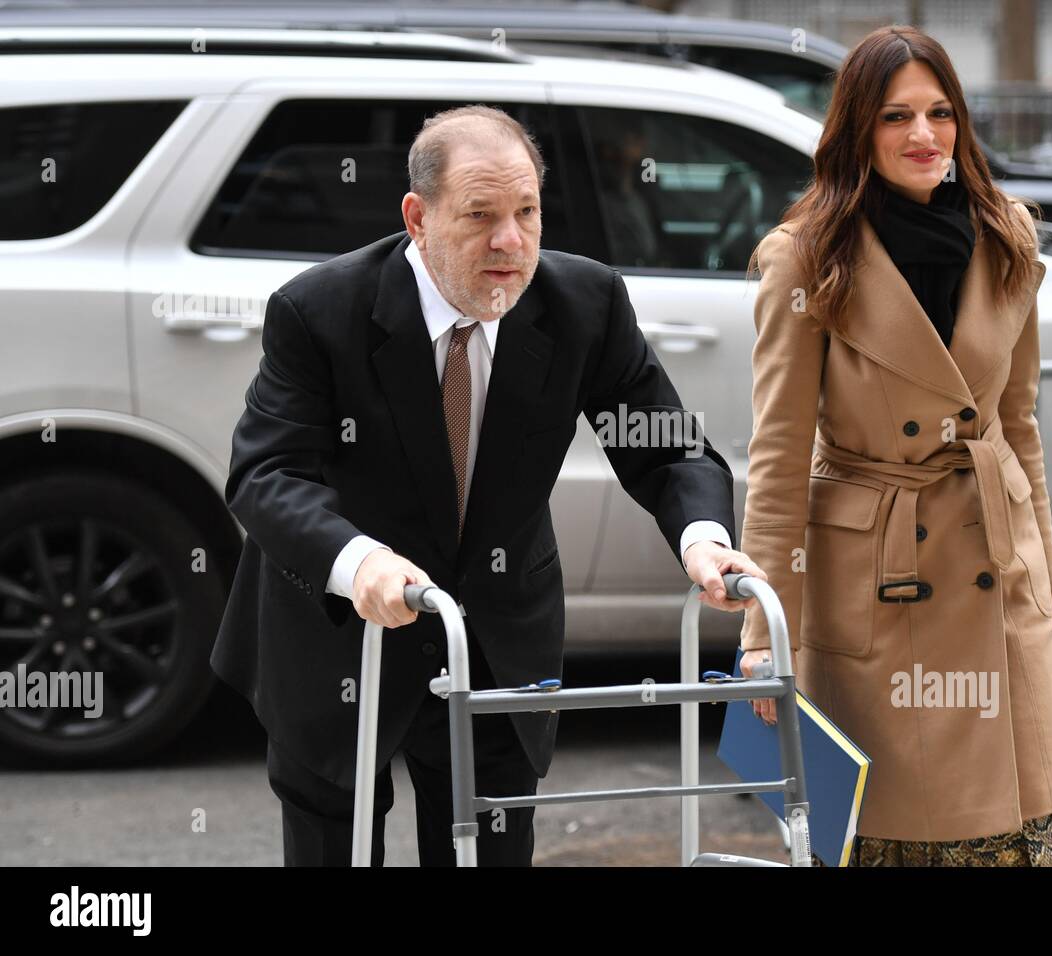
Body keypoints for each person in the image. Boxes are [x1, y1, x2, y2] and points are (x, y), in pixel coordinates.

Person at [212, 105, 766, 866]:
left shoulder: (585, 303)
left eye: (527, 212)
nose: (511, 241)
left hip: (498, 639)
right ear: (417, 217)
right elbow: (267, 473)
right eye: (480, 216)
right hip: (338, 636)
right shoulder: (320, 310)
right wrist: (358, 562)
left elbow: (667, 444)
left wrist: (704, 540)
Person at [738, 26, 1052, 866]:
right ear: (857, 131)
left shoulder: (1008, 236)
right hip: (878, 585)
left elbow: (1017, 424)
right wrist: (762, 628)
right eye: (895, 117)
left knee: (1018, 831)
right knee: (891, 831)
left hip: (999, 574)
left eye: (939, 113)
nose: (924, 136)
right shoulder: (806, 259)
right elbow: (777, 455)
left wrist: (1048, 577)